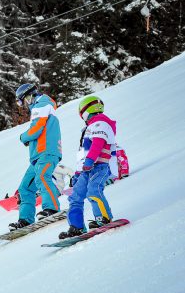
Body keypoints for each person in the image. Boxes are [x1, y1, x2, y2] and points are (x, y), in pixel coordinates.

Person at [59, 95, 117, 239]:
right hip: (86, 170)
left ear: (85, 111)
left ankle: (103, 218)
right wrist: (78, 172)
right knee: (75, 197)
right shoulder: (90, 127)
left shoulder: (101, 123)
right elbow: (83, 154)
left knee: (94, 191)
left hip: (99, 166)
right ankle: (76, 226)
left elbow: (98, 144)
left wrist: (90, 161)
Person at [9, 83, 62, 229]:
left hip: (46, 152)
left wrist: (24, 137)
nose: (24, 104)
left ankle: (51, 208)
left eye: (23, 100)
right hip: (37, 156)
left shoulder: (42, 104)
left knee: (42, 178)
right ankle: (25, 219)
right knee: (25, 188)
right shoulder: (39, 108)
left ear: (30, 95)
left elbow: (36, 129)